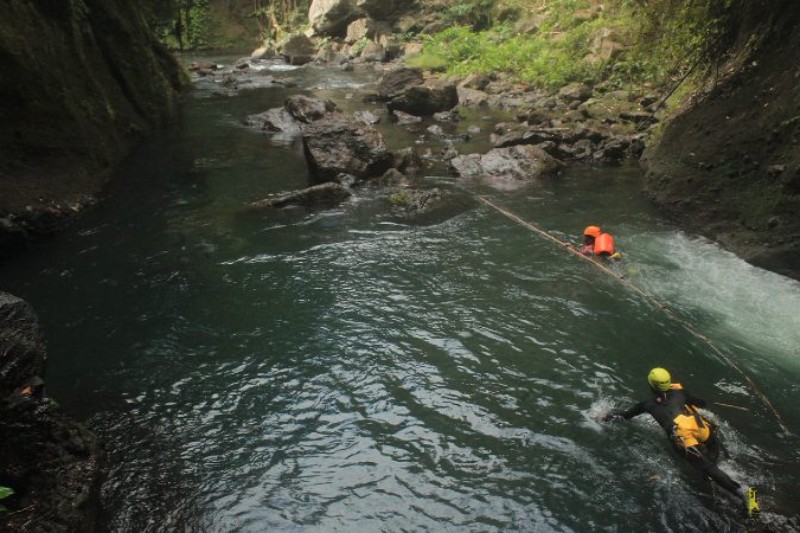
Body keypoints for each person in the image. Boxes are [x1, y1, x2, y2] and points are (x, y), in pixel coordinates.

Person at [603, 367, 760, 517]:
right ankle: (715, 469)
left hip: (680, 433)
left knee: (705, 467)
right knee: (711, 448)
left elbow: (626, 415)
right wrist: (689, 395)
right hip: (697, 424)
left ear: (651, 386)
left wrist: (606, 416)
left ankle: (742, 492)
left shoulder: (647, 405)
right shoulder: (680, 393)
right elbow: (700, 403)